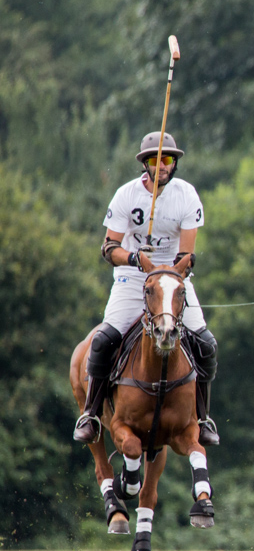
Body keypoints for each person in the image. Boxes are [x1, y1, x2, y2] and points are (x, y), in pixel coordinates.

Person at [73, 132, 221, 446]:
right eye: (155, 160)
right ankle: (91, 414)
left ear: (175, 163)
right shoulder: (126, 195)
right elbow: (109, 247)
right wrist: (135, 259)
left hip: (172, 282)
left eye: (168, 159)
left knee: (206, 344)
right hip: (131, 280)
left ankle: (204, 418)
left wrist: (168, 274)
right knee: (102, 340)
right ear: (146, 164)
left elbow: (187, 257)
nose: (162, 166)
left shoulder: (187, 195)